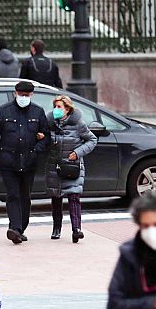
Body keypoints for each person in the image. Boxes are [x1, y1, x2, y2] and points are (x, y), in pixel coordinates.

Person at [0, 81, 50, 244]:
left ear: (32, 95)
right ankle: (15, 228)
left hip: (29, 161)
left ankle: (21, 228)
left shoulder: (38, 111)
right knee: (13, 194)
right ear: (15, 93)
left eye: (27, 95)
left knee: (25, 196)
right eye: (21, 95)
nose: (24, 98)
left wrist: (36, 149)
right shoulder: (4, 111)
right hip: (8, 160)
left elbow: (47, 136)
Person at [45, 95, 97, 243]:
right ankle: (57, 229)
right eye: (55, 106)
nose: (56, 110)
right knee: (56, 197)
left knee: (74, 197)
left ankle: (76, 230)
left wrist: (78, 152)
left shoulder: (78, 124)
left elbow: (92, 140)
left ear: (67, 109)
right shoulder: (50, 124)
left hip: (72, 166)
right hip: (54, 165)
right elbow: (45, 142)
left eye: (59, 107)